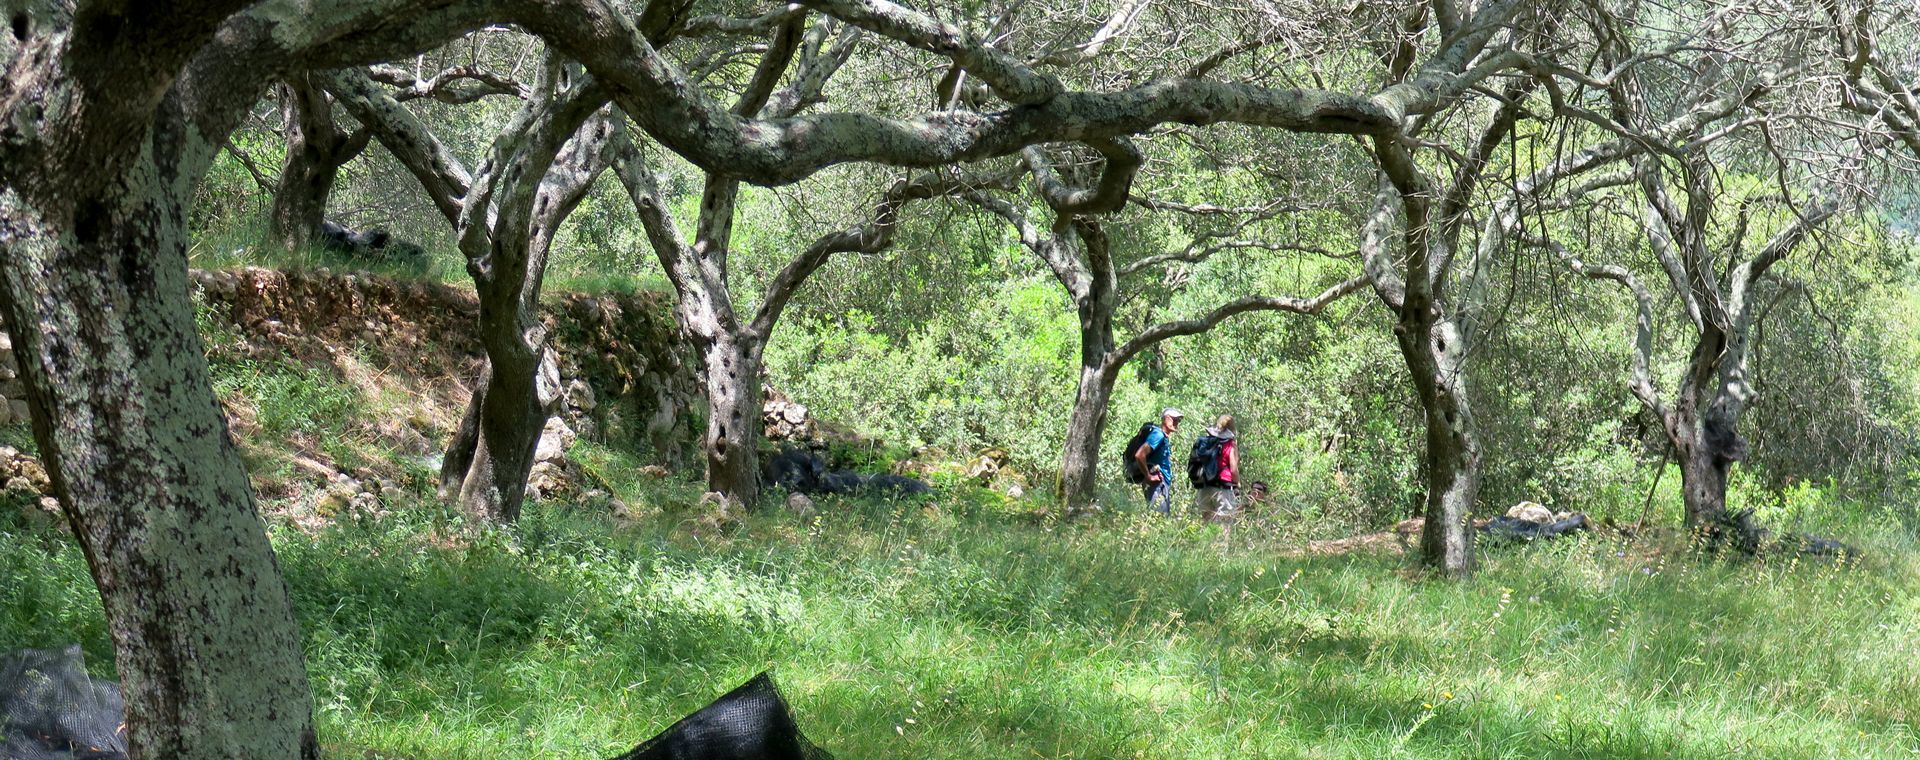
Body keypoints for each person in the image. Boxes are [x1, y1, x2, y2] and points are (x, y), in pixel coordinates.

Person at [1133, 408, 1182, 514]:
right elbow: (1140, 455)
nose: (1177, 423)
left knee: (1160, 518)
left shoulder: (1162, 436)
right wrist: (1148, 476)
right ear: (1167, 419)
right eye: (1175, 420)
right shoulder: (1158, 435)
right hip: (1157, 483)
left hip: (1161, 483)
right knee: (1159, 518)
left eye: (1178, 421)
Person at [1195, 414, 1241, 522]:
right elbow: (1233, 470)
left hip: (1205, 486)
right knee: (1225, 522)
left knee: (1207, 522)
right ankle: (1223, 540)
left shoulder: (1206, 442)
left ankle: (1207, 540)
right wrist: (1237, 484)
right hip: (1223, 487)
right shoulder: (1230, 444)